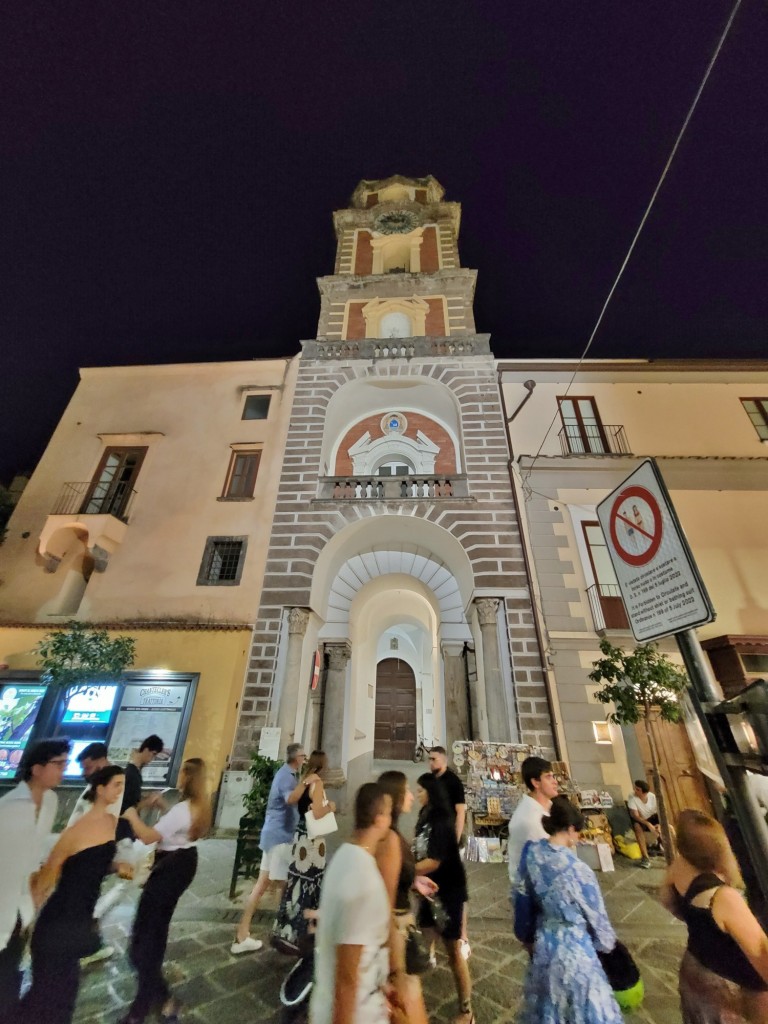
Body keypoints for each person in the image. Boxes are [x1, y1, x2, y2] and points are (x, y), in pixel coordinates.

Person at [16, 764, 125, 1024]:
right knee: (46, 998)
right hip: (58, 922)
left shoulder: (111, 823)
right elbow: (47, 878)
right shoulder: (76, 831)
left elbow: (94, 863)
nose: (121, 791)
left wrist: (116, 866)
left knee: (64, 996)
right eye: (116, 785)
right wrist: (26, 923)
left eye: (123, 785)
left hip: (80, 921)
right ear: (100, 789)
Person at [119, 757, 212, 1024]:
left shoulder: (183, 809)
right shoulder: (198, 806)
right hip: (183, 863)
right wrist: (163, 808)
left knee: (145, 936)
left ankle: (153, 1003)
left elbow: (149, 836)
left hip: (170, 869)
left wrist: (131, 815)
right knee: (154, 930)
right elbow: (177, 830)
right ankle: (152, 1001)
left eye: (183, 771)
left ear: (187, 776)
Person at [517, 795, 623, 1024]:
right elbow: (600, 924)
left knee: (547, 1008)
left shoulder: (532, 854)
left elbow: (523, 894)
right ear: (571, 828)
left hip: (545, 943)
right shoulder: (579, 871)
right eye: (578, 832)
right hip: (575, 950)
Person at [660, 808, 768, 1023]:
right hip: (725, 987)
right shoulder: (724, 898)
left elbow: (668, 902)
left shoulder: (678, 870)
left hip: (695, 970)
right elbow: (762, 957)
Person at [310, 782, 394, 1024]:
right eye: (388, 814)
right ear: (379, 819)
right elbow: (347, 979)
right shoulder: (362, 880)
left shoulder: (342, 857)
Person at [0, 738, 69, 1023]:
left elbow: (37, 851)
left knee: (10, 973)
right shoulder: (11, 808)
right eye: (58, 764)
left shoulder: (50, 801)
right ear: (37, 768)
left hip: (22, 905)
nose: (63, 770)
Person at [232, 742, 315, 954]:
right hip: (279, 838)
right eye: (303, 756)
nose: (305, 759)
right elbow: (290, 799)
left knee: (262, 886)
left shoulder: (286, 774)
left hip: (274, 835)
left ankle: (243, 934)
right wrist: (307, 781)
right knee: (283, 886)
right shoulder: (287, 776)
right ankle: (283, 935)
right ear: (296, 757)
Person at [376, 770, 437, 1024]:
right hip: (397, 930)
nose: (412, 795)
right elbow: (385, 899)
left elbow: (393, 874)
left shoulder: (392, 833)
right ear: (397, 798)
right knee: (407, 1007)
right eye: (408, 791)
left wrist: (413, 880)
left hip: (400, 926)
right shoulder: (389, 838)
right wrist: (396, 963)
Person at [413, 771, 473, 1024]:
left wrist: (402, 870)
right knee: (421, 943)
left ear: (431, 793)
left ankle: (467, 1011)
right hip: (430, 890)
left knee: (454, 951)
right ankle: (411, 1002)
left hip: (447, 892)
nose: (417, 794)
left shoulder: (441, 820)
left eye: (421, 790)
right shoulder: (425, 816)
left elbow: (435, 860)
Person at [272, 749, 335, 956]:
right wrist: (331, 807)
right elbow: (317, 812)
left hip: (299, 836)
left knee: (296, 882)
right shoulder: (317, 782)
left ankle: (286, 930)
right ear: (323, 765)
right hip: (312, 840)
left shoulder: (305, 780)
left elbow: (292, 800)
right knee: (310, 882)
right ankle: (305, 933)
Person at [66, 741, 124, 965]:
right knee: (82, 900)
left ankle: (87, 946)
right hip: (81, 850)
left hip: (90, 851)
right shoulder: (97, 783)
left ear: (101, 762)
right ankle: (87, 944)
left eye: (87, 767)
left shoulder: (112, 783)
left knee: (84, 899)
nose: (84, 773)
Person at [429, 745, 471, 958]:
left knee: (457, 891)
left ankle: (462, 936)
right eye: (429, 759)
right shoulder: (431, 781)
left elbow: (460, 812)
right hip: (435, 844)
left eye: (434, 759)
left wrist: (454, 840)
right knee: (433, 890)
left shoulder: (453, 782)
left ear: (443, 760)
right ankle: (433, 942)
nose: (430, 763)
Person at [508, 756, 558, 887]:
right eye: (548, 777)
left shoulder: (549, 806)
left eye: (553, 776)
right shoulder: (530, 819)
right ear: (536, 783)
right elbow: (546, 859)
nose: (555, 782)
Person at [118, 734, 165, 841]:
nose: (152, 759)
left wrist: (146, 796)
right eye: (153, 754)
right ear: (146, 750)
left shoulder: (134, 772)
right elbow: (127, 807)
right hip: (124, 830)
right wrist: (149, 800)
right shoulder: (132, 774)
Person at [627, 779, 661, 868]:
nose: (635, 790)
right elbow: (635, 815)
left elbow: (659, 812)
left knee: (670, 828)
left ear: (644, 793)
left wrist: (659, 824)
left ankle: (676, 853)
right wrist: (647, 824)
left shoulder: (652, 797)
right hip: (641, 819)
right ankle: (645, 857)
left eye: (638, 789)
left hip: (653, 817)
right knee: (637, 826)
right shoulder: (632, 797)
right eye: (635, 788)